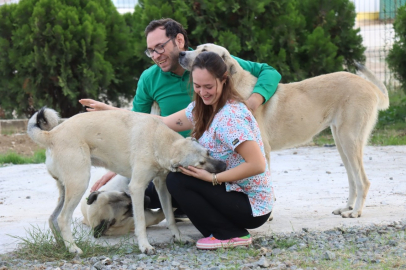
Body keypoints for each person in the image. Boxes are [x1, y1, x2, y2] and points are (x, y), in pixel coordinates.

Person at [79, 18, 280, 215]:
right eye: (151, 51)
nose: (156, 55)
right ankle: (181, 206)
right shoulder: (151, 79)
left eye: (160, 47)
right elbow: (140, 121)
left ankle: (194, 208)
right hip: (172, 157)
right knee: (129, 193)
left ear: (179, 41)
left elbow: (269, 71)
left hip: (210, 161)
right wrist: (119, 164)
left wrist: (254, 101)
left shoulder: (210, 60)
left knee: (168, 189)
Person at [155, 51, 273, 249]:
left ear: (224, 80)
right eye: (197, 86)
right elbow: (161, 123)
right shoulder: (203, 108)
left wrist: (212, 179)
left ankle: (229, 233)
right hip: (231, 191)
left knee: (177, 181)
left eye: (209, 86)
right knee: (158, 187)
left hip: (251, 206)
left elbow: (258, 164)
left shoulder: (230, 118)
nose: (203, 92)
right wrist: (112, 113)